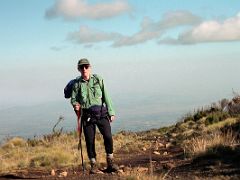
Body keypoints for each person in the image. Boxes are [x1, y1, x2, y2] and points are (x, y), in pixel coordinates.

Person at [71, 58, 119, 174]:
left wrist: (111, 112)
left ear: (90, 67)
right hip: (87, 115)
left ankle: (110, 162)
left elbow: (106, 95)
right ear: (78, 69)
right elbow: (73, 99)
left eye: (86, 66)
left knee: (108, 136)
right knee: (89, 140)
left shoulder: (98, 79)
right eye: (82, 67)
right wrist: (75, 105)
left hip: (101, 114)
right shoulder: (77, 84)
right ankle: (93, 165)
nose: (84, 69)